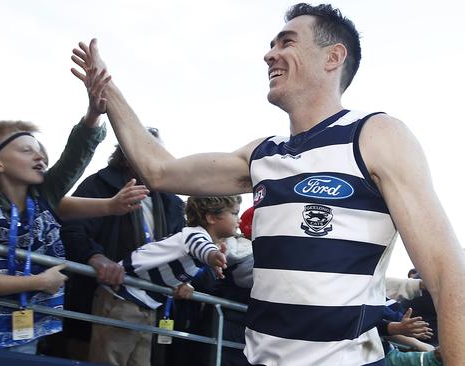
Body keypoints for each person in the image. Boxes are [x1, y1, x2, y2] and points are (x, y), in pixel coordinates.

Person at [71, 2, 465, 364]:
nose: (269, 54)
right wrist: (109, 92)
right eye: (271, 44)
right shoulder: (263, 154)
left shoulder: (374, 135)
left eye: (287, 42)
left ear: (333, 57)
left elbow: (447, 272)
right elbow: (159, 170)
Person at [0, 119, 147, 354]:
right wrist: (39, 282)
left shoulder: (43, 198)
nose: (39, 156)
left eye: (39, 150)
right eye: (26, 150)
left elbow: (71, 162)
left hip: (28, 332)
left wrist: (92, 117)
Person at [58, 128, 185, 362]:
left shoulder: (172, 201)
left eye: (160, 152)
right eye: (149, 150)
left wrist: (186, 278)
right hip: (105, 299)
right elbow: (71, 229)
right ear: (127, 153)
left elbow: (181, 246)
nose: (157, 157)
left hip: (153, 306)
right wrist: (94, 257)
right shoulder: (98, 185)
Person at [87, 195, 237, 366]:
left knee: (140, 361)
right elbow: (201, 246)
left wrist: (185, 282)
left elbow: (177, 265)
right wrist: (212, 256)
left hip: (145, 305)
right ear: (211, 218)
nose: (238, 220)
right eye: (234, 213)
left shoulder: (194, 242)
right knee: (110, 359)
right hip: (123, 298)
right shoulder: (194, 235)